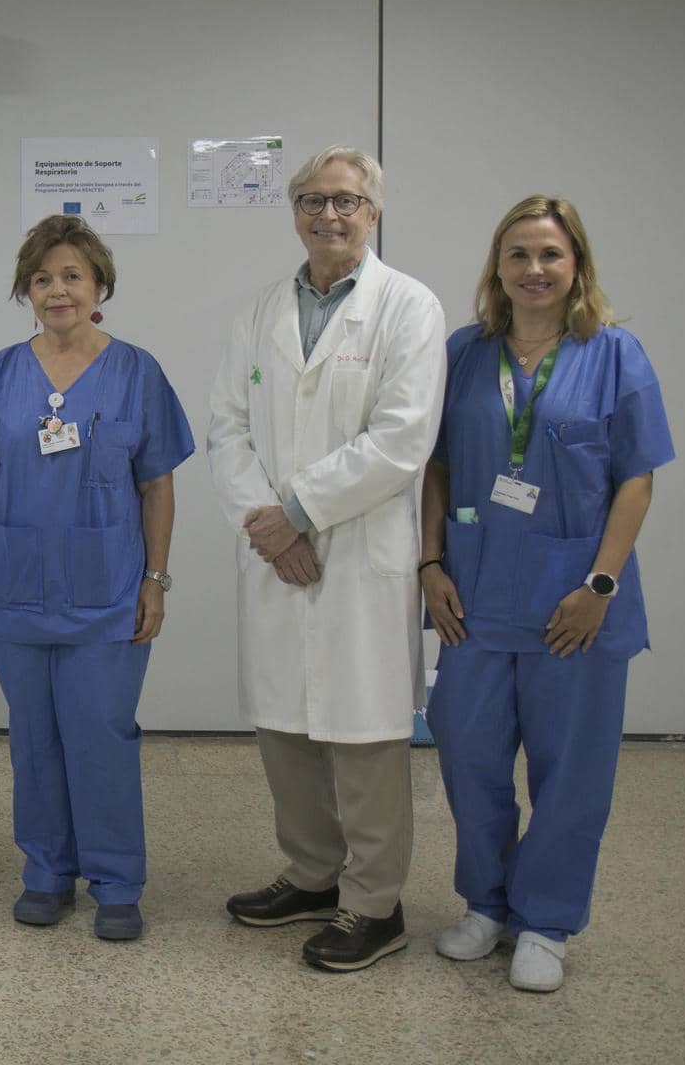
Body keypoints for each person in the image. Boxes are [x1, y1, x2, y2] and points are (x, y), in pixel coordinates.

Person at [421, 196, 671, 993]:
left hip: (576, 606)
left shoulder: (614, 354)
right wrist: (428, 564)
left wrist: (598, 584)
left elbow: (635, 479)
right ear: (496, 266)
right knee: (468, 756)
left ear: (576, 268)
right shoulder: (462, 354)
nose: (534, 270)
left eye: (550, 255)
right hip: (474, 598)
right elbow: (432, 466)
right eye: (518, 254)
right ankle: (486, 904)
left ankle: (546, 920)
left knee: (570, 773)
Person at [206, 145, 446, 972]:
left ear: (372, 213)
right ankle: (310, 875)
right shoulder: (259, 311)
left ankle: (374, 904)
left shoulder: (407, 308)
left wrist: (299, 513)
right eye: (311, 199)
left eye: (345, 201)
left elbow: (402, 438)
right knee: (285, 725)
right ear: (294, 211)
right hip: (277, 554)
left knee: (364, 735)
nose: (327, 215)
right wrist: (266, 524)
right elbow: (226, 429)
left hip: (356, 553)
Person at [0, 214, 192, 942]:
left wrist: (155, 577)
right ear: (26, 290)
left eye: (72, 276)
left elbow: (157, 485)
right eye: (42, 278)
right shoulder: (0, 374)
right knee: (33, 739)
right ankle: (46, 872)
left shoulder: (136, 372)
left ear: (98, 287)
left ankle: (116, 881)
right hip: (15, 586)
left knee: (100, 735)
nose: (57, 290)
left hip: (108, 592)